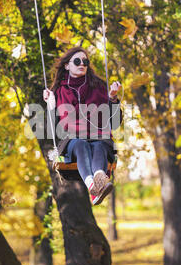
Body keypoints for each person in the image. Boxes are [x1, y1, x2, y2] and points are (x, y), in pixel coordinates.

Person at [43, 46, 123, 205]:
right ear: (67, 65)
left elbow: (114, 122)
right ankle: (92, 185)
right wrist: (51, 105)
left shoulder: (99, 86)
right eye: (77, 61)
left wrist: (112, 99)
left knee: (99, 145)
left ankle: (99, 178)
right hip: (73, 141)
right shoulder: (59, 91)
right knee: (80, 144)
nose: (82, 64)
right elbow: (53, 126)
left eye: (85, 61)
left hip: (99, 136)